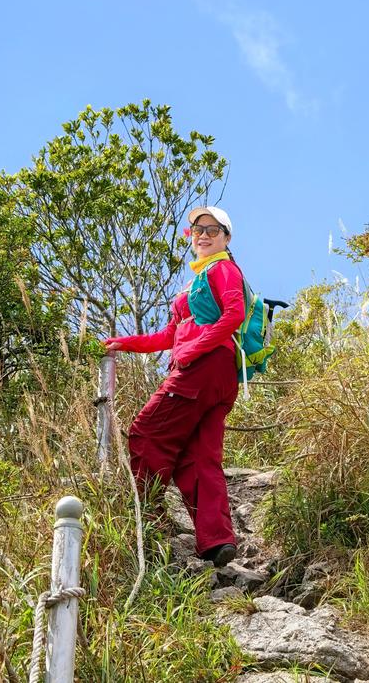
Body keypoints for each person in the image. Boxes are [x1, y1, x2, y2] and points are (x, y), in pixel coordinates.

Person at [102, 206, 245, 568]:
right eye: (198, 229)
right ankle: (217, 542)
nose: (204, 234)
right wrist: (126, 342)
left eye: (213, 229)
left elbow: (235, 314)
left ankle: (144, 518)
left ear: (227, 238)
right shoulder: (193, 283)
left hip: (203, 368)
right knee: (199, 457)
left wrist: (194, 349)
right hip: (218, 376)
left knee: (147, 433)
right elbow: (168, 336)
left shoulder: (223, 268)